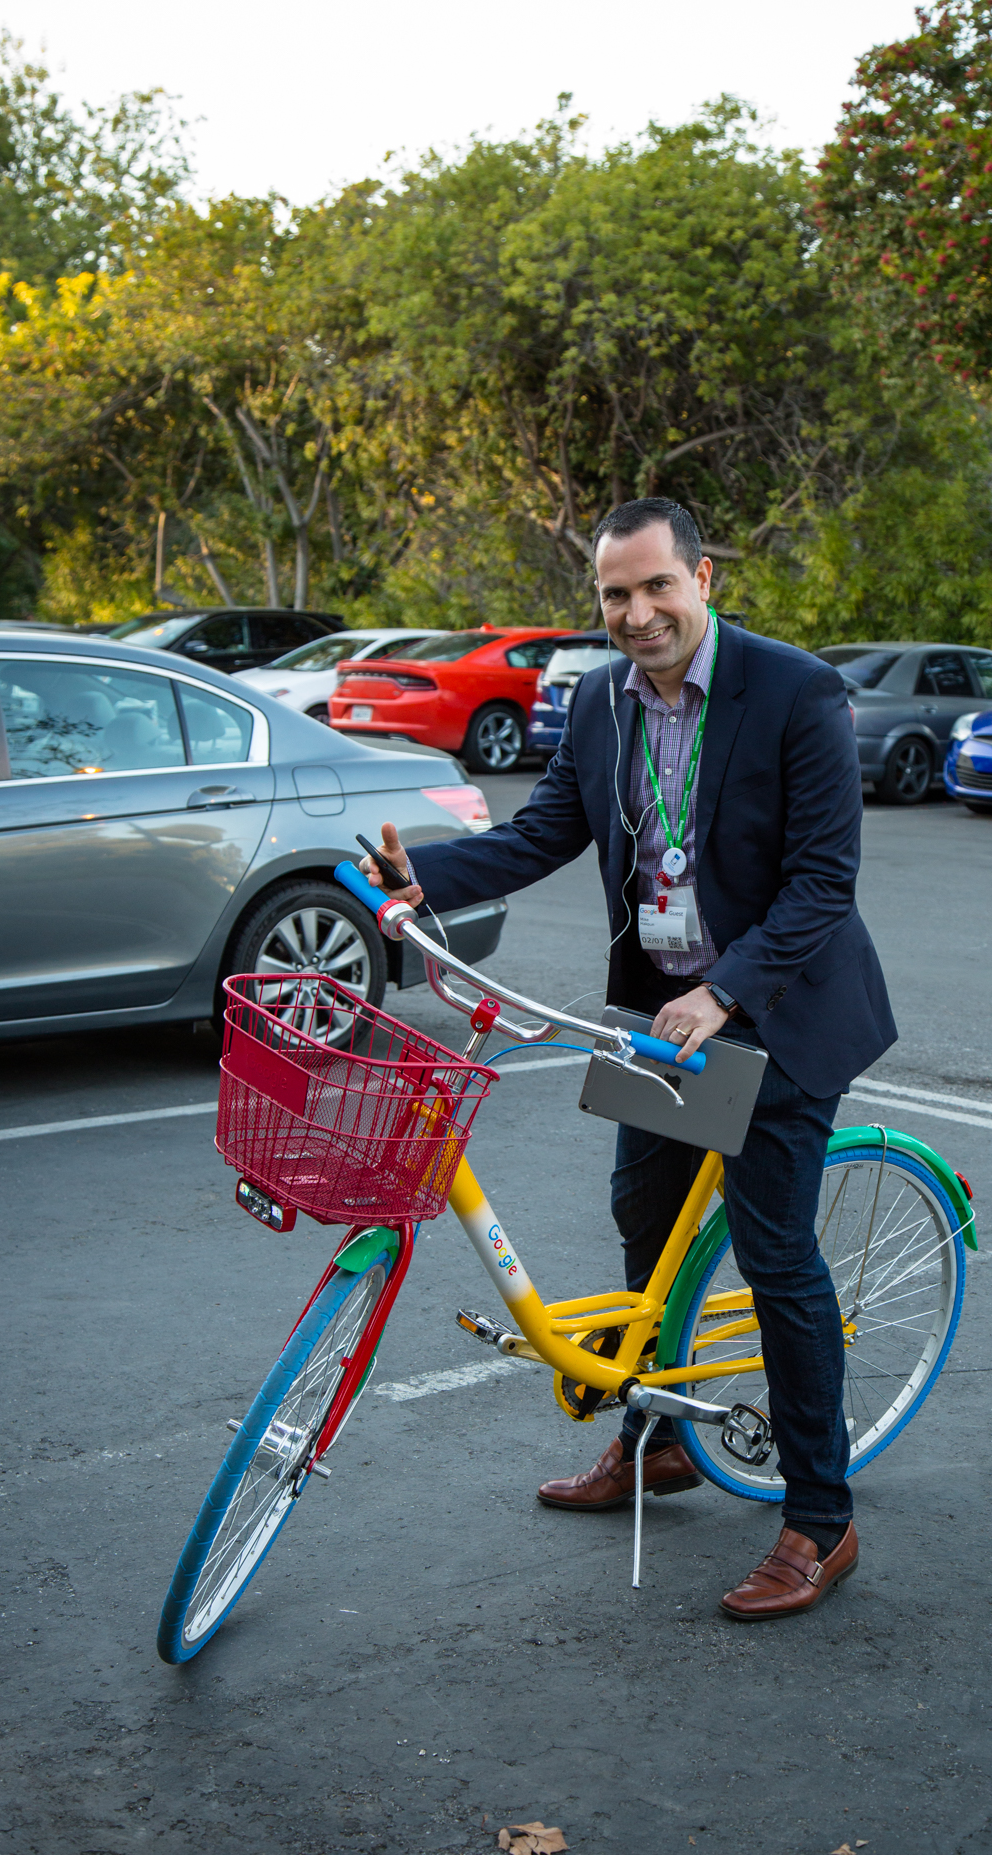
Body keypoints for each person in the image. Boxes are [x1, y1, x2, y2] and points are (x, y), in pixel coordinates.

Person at [360, 497, 896, 1620]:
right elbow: (543, 828)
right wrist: (428, 883)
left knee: (775, 1257)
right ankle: (653, 1443)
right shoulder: (598, 697)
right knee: (642, 1224)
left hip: (776, 1009)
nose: (637, 612)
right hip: (655, 1015)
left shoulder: (795, 691)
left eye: (657, 586)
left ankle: (818, 1518)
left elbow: (820, 884)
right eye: (614, 594)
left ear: (703, 576)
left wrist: (725, 990)